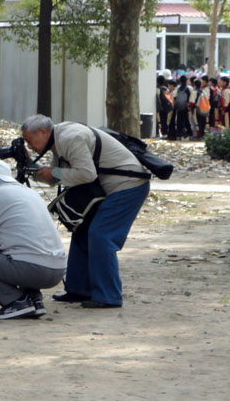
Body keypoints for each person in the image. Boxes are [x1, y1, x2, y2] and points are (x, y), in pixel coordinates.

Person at [21, 115, 150, 309]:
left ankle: (109, 296)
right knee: (82, 231)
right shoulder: (57, 140)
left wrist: (53, 173)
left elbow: (86, 174)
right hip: (112, 187)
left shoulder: (70, 138)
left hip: (128, 186)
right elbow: (56, 177)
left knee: (101, 235)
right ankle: (78, 289)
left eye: (30, 141)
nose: (29, 146)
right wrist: (31, 166)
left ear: (43, 132)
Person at [0, 159, 66, 320]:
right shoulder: (28, 192)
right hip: (57, 270)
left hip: (33, 270)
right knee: (18, 250)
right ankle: (34, 300)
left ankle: (16, 302)